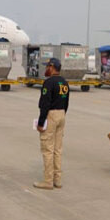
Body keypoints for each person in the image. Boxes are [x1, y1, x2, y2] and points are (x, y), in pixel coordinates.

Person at [33, 58, 69, 190]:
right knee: (57, 149)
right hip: (61, 114)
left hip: (51, 115)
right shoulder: (64, 82)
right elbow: (66, 103)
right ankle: (57, 179)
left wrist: (41, 122)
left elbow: (45, 104)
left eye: (47, 66)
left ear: (52, 67)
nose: (46, 69)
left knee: (48, 149)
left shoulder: (49, 83)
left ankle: (48, 181)